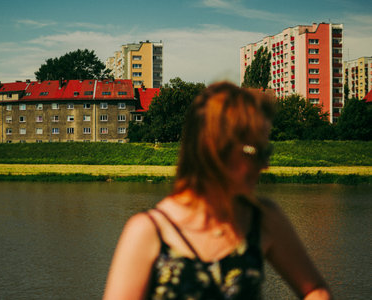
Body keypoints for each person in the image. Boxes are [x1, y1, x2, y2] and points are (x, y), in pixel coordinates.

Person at [103, 82, 332, 300]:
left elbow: (315, 290)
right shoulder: (149, 230)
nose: (265, 165)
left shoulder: (262, 219)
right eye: (258, 151)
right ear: (217, 149)